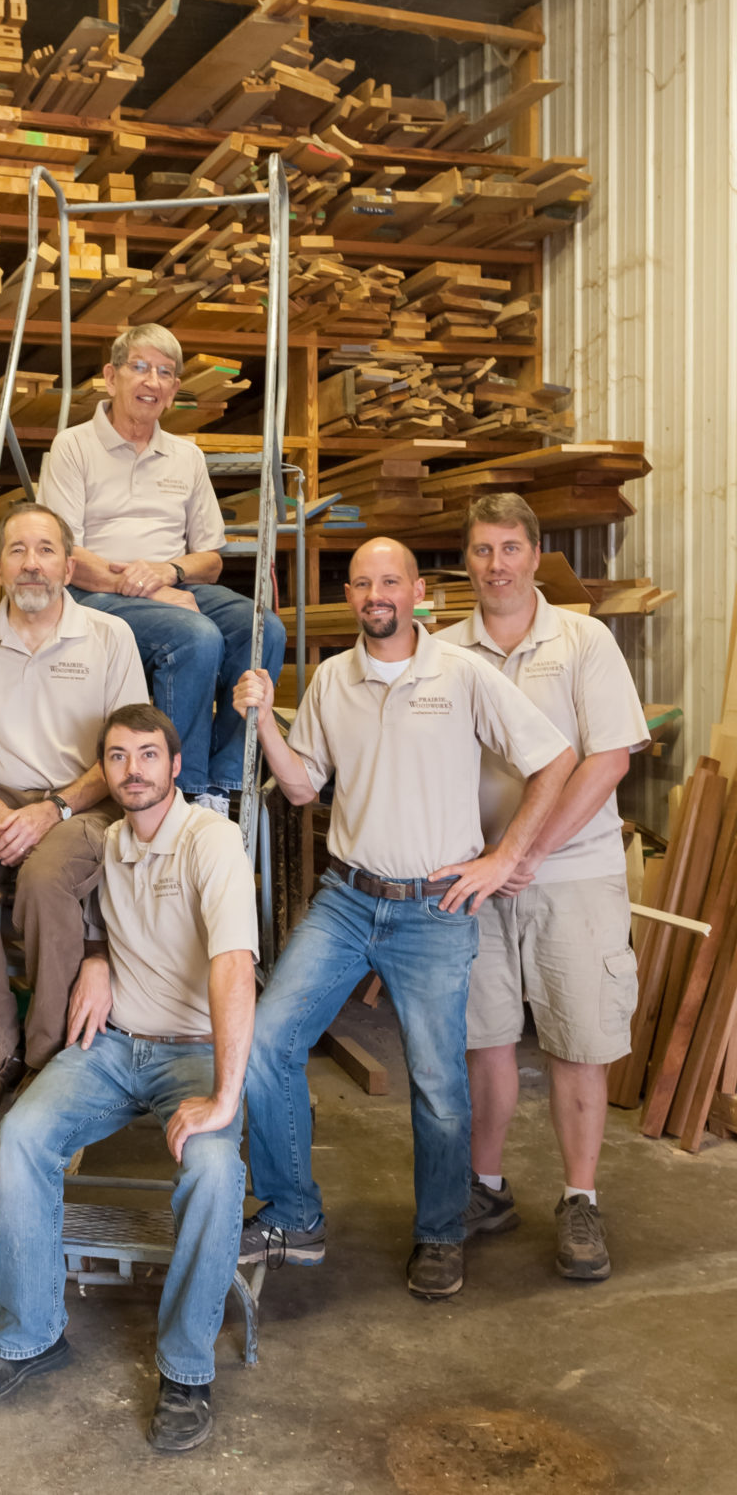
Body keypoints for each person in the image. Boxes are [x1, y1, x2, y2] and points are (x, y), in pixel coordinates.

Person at [233, 537, 576, 1300]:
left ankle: (440, 1232)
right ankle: (294, 1214)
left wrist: (502, 857)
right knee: (266, 1041)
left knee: (437, 1086)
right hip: (349, 899)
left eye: (391, 580)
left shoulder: (462, 675)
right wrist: (261, 724)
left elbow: (555, 759)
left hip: (433, 911)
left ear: (418, 590)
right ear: (351, 595)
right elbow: (300, 789)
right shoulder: (330, 679)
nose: (375, 594)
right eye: (362, 583)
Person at [0, 703, 258, 1454]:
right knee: (22, 1136)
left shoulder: (212, 841)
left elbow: (232, 966)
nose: (133, 771)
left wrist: (223, 1093)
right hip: (114, 1047)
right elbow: (83, 913)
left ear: (175, 766)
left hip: (190, 1049)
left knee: (216, 1169)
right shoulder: (110, 842)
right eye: (117, 758)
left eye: (148, 755)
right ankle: (30, 1335)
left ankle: (186, 1369)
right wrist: (95, 956)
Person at [442, 493, 648, 1280]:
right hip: (475, 875)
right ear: (467, 561)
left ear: (535, 555)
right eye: (482, 550)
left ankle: (580, 1199)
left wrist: (525, 852)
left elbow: (608, 761)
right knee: (484, 1039)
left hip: (574, 872)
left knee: (577, 1041)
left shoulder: (583, 639)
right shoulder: (445, 650)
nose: (496, 564)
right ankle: (487, 1190)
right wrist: (488, 860)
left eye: (510, 548)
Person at [0, 504, 147, 1118]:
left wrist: (53, 809)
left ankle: (52, 1062)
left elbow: (125, 756)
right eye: (17, 551)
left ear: (69, 565)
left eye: (45, 550)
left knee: (47, 882)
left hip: (83, 805)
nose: (31, 564)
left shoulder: (109, 637)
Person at [39, 323, 287, 818]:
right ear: (111, 378)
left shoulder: (187, 456)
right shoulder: (73, 447)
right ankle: (184, 793)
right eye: (139, 367)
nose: (152, 380)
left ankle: (223, 781)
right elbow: (63, 555)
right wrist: (145, 590)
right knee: (194, 635)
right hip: (95, 595)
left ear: (174, 390)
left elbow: (211, 560)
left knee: (263, 629)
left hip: (169, 585)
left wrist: (169, 573)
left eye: (165, 372)